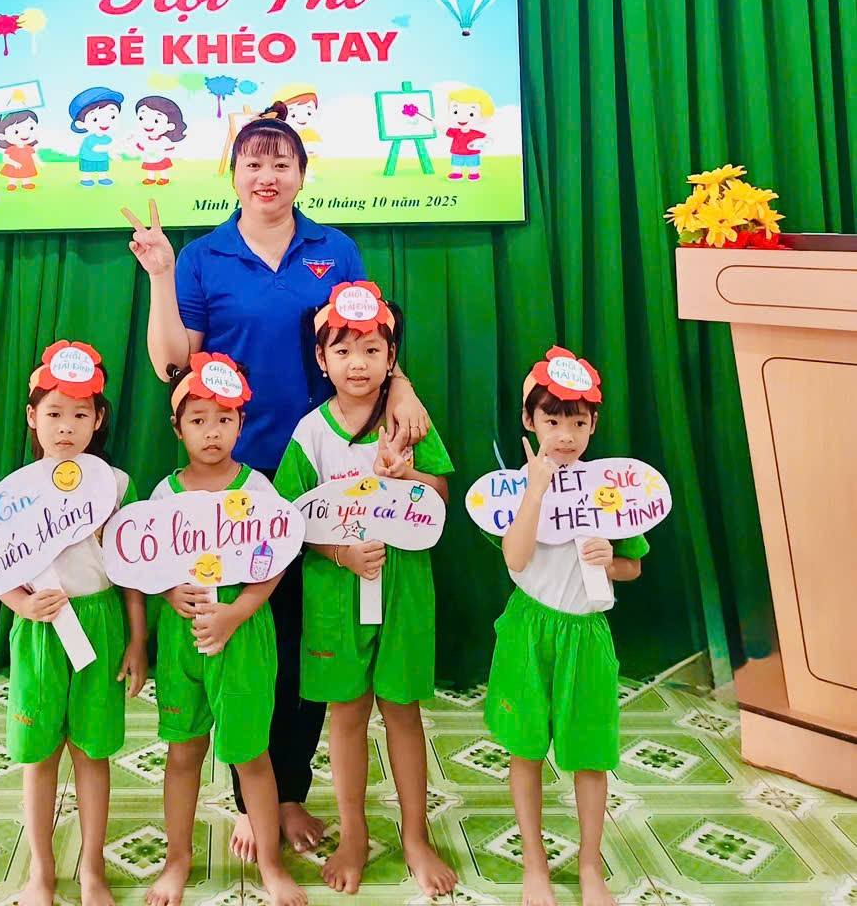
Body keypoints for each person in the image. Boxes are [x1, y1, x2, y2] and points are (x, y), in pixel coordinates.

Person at [121, 102, 434, 859]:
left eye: (281, 163)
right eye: (254, 163)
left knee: (301, 638)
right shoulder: (204, 257)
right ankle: (249, 797)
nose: (268, 176)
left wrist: (402, 388)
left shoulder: (335, 249)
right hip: (236, 475)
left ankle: (285, 792)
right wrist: (161, 275)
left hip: (323, 471)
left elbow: (366, 338)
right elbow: (173, 364)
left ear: (301, 174)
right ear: (233, 174)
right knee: (246, 638)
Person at [273, 281, 458, 900]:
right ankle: (353, 836)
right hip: (336, 591)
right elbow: (291, 520)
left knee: (402, 713)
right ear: (321, 358)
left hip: (404, 590)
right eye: (343, 350)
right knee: (347, 716)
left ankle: (415, 837)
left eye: (373, 350)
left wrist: (408, 477)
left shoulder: (409, 421)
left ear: (391, 357)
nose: (358, 363)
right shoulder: (310, 433)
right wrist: (340, 553)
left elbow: (440, 497)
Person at [484, 347, 649, 906]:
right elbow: (515, 557)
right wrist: (536, 487)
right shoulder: (511, 487)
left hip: (587, 634)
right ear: (529, 421)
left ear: (593, 425)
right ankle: (534, 864)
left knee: (589, 752)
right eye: (551, 421)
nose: (564, 435)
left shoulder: (609, 487)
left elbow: (633, 566)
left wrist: (611, 560)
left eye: (577, 422)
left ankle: (589, 865)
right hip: (529, 630)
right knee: (525, 749)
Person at [145, 355, 305, 906]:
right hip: (182, 639)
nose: (211, 431)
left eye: (223, 419)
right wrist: (170, 593)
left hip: (243, 637)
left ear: (241, 424)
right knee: (183, 753)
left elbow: (276, 560)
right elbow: (149, 562)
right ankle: (178, 859)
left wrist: (239, 611)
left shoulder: (257, 488)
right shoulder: (164, 495)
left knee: (251, 756)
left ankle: (271, 865)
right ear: (178, 428)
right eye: (198, 420)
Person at [1, 341, 148, 906]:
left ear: (98, 420)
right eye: (54, 413)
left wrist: (137, 638)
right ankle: (40, 871)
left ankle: (92, 868)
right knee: (40, 755)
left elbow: (132, 570)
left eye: (80, 414)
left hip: (101, 622)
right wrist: (21, 605)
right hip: (41, 630)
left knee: (92, 751)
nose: (66, 426)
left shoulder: (117, 485)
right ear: (32, 416)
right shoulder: (14, 492)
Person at [69, 87, 123, 187]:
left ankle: (103, 178)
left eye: (112, 116)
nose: (105, 122)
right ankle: (86, 179)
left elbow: (109, 150)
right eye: (95, 119)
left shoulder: (108, 139)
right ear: (81, 124)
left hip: (102, 159)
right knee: (87, 170)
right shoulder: (89, 139)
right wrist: (114, 145)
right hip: (88, 158)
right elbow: (97, 148)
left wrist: (113, 154)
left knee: (102, 169)